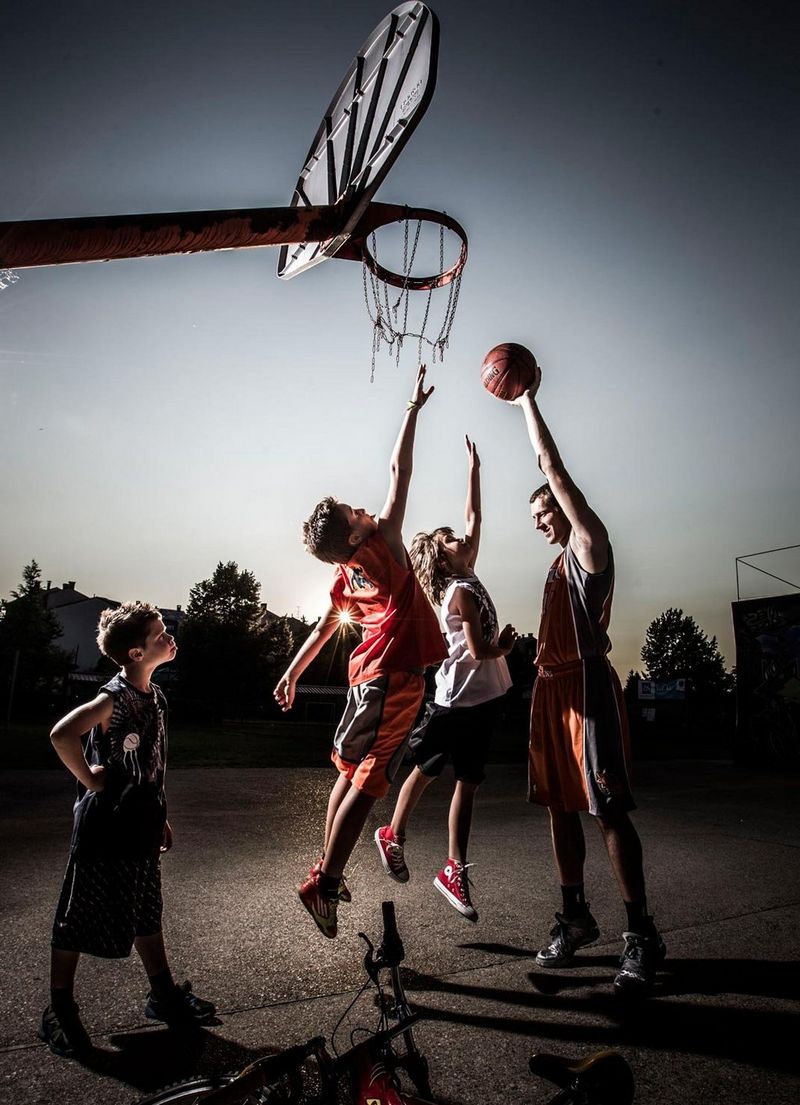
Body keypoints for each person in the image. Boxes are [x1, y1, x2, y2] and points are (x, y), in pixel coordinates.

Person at [274, 365, 447, 939]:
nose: (362, 508)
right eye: (354, 511)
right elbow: (400, 472)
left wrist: (292, 673)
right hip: (394, 679)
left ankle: (325, 870)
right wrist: (412, 410)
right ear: (353, 535)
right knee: (370, 783)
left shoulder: (346, 575)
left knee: (348, 775)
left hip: (363, 679)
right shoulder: (383, 548)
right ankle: (324, 884)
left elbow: (326, 628)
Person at [514, 365, 665, 995]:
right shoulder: (554, 564)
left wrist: (526, 401)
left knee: (607, 810)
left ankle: (641, 934)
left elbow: (551, 463)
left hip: (588, 690)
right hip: (551, 689)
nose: (542, 520)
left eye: (546, 509)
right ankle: (575, 918)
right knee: (558, 807)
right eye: (537, 517)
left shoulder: (589, 547)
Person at [39, 602, 216, 1058]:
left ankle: (163, 995)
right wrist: (92, 779)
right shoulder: (112, 698)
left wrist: (162, 814)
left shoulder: (154, 696)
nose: (169, 637)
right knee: (77, 917)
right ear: (136, 653)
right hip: (106, 826)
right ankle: (59, 1009)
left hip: (142, 820)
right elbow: (62, 735)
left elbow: (153, 764)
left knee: (144, 910)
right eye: (160, 635)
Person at [374, 436, 515, 923]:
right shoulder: (459, 591)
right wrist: (508, 649)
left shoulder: (467, 571)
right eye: (452, 539)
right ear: (442, 557)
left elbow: (475, 519)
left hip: (486, 695)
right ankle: (392, 833)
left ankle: (454, 868)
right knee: (428, 769)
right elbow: (479, 652)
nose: (463, 539)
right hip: (456, 698)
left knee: (468, 782)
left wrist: (475, 470)